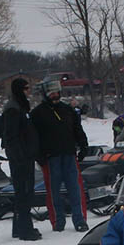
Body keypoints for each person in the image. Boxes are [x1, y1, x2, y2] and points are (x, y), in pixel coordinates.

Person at [31, 76, 90, 233]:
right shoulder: (37, 113)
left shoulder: (67, 109)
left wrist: (83, 146)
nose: (55, 96)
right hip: (50, 157)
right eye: (51, 93)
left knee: (75, 189)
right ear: (45, 95)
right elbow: (34, 137)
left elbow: (77, 129)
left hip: (69, 154)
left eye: (57, 92)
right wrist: (38, 155)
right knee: (53, 191)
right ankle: (58, 221)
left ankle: (80, 220)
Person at [0, 78, 42, 241]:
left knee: (24, 193)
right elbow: (11, 135)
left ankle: (19, 227)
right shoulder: (13, 108)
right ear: (19, 90)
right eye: (26, 88)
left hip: (25, 155)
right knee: (23, 193)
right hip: (20, 158)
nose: (28, 91)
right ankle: (25, 229)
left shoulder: (20, 105)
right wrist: (20, 156)